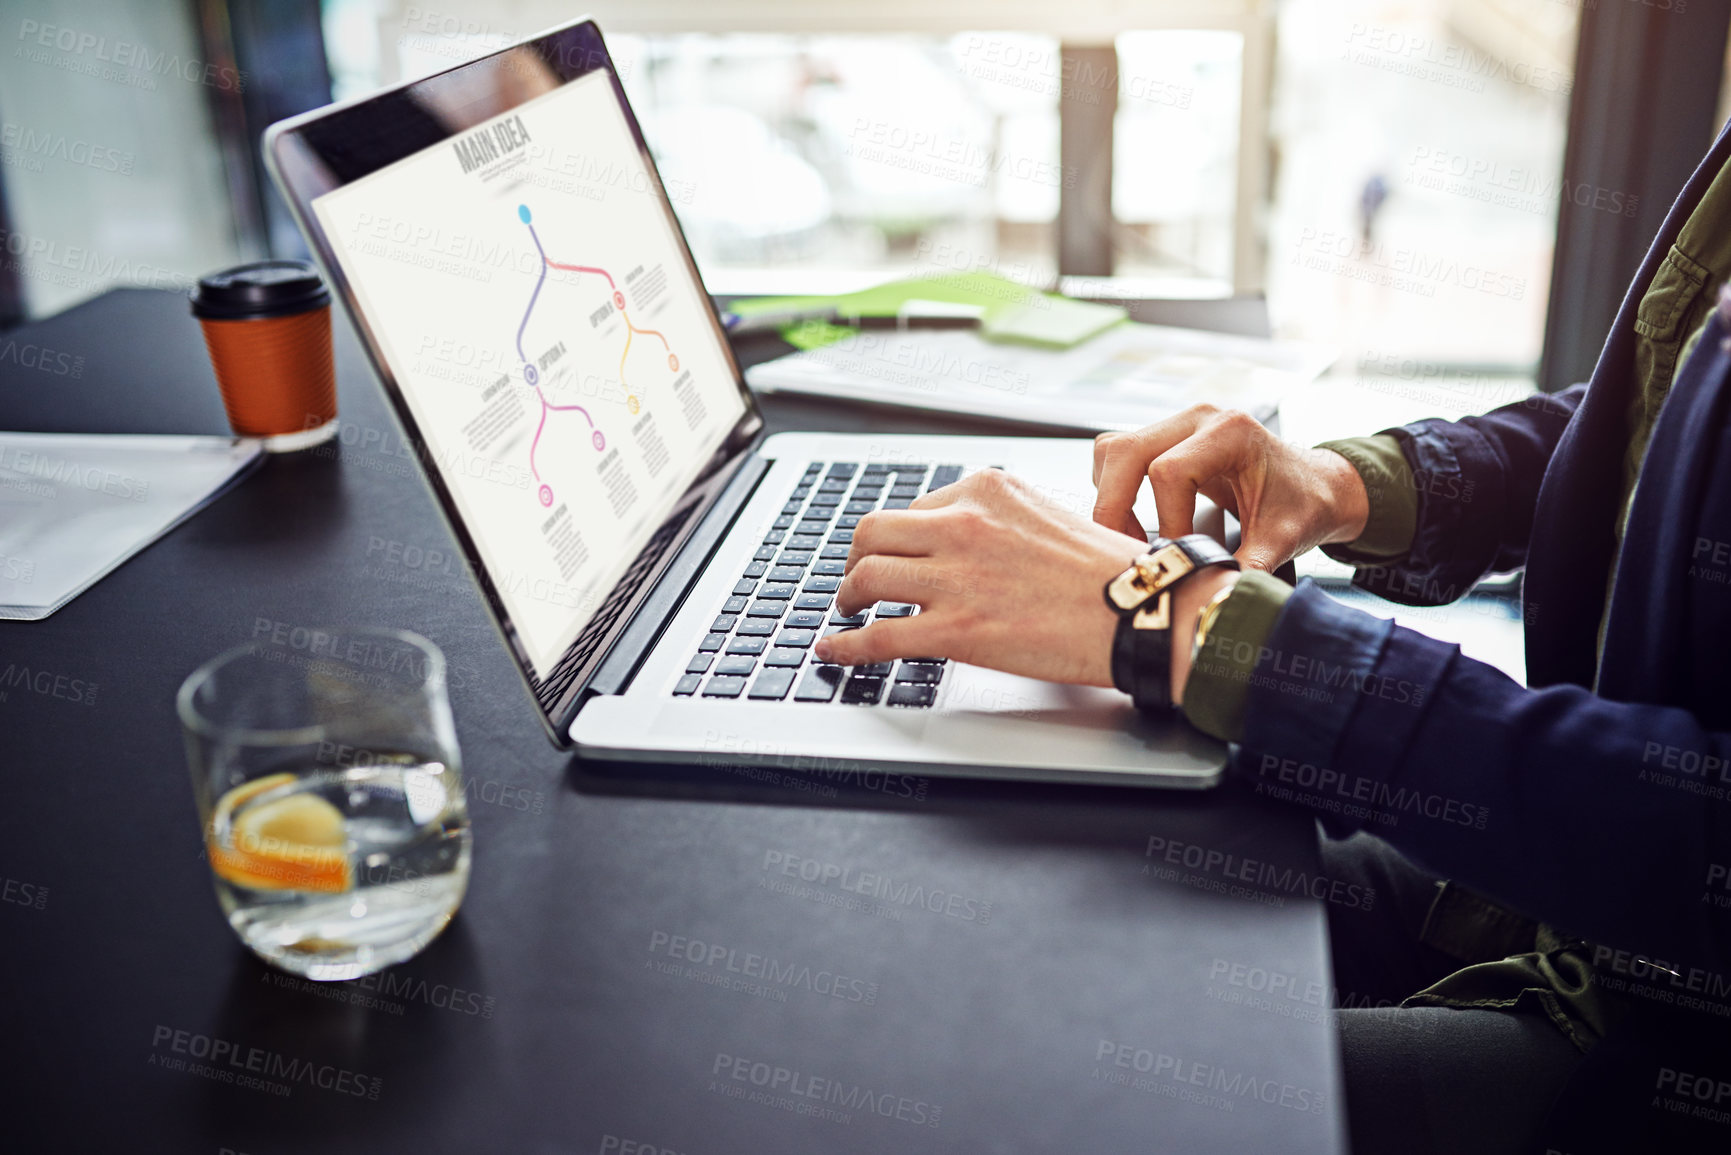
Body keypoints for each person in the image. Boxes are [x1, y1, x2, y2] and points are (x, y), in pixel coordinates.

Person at [815, 127, 1731, 1154]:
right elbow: (1644, 411)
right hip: (1564, 893)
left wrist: (1188, 622)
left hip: (1662, 1040)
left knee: (1041, 1092)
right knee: (1027, 915)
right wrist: (1360, 483)